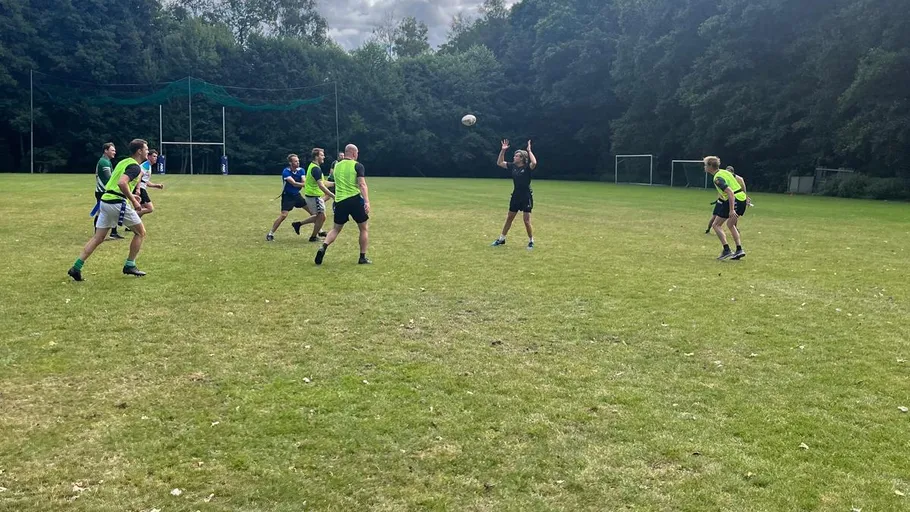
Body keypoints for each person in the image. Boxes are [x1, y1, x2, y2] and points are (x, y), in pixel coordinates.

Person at [68, 139, 150, 281]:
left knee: (98, 237)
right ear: (139, 151)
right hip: (117, 203)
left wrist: (131, 193)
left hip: (105, 201)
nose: (148, 151)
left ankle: (76, 267)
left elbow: (117, 183)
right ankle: (130, 264)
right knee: (140, 233)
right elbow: (121, 183)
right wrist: (134, 200)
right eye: (146, 149)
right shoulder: (135, 167)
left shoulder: (123, 162)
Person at [315, 144, 371, 265]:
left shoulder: (336, 166)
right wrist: (366, 201)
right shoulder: (358, 165)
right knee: (363, 228)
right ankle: (362, 257)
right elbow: (362, 184)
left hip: (340, 201)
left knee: (336, 229)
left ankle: (323, 246)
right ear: (354, 153)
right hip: (355, 199)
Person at [491, 139, 538, 249]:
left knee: (526, 221)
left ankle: (531, 241)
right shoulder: (513, 166)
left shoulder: (527, 168)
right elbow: (500, 163)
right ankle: (501, 239)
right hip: (516, 195)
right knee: (509, 218)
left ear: (522, 158)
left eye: (516, 156)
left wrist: (529, 150)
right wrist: (503, 151)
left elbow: (534, 163)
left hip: (526, 196)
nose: (514, 157)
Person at [704, 156, 747, 260]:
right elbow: (738, 181)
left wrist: (731, 209)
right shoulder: (725, 172)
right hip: (742, 199)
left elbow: (730, 192)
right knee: (731, 224)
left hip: (734, 199)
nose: (704, 167)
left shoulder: (717, 178)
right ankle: (739, 249)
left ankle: (726, 249)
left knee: (716, 224)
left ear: (710, 166)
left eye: (705, 165)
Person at [292, 148, 334, 241]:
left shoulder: (314, 167)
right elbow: (321, 186)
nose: (324, 157)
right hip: (314, 197)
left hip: (313, 196)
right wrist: (332, 196)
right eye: (322, 155)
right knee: (322, 217)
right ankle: (313, 237)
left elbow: (323, 182)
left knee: (319, 217)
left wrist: (335, 184)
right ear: (316, 156)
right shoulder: (316, 169)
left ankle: (298, 224)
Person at [266, 154, 308, 241]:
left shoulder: (301, 170)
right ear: (290, 163)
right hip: (288, 196)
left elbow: (304, 181)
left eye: (298, 161)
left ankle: (319, 231)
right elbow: (294, 183)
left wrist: (304, 184)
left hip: (297, 195)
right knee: (283, 215)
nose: (298, 163)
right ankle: (270, 233)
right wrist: (306, 185)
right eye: (295, 161)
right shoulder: (286, 172)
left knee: (313, 212)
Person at [705, 166, 748, 234]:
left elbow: (740, 180)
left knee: (733, 216)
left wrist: (745, 196)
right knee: (715, 216)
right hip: (722, 200)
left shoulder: (732, 178)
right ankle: (708, 229)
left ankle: (734, 229)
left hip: (730, 200)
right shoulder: (722, 177)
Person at [93, 142, 123, 239]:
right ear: (106, 151)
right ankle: (97, 233)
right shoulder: (104, 162)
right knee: (101, 213)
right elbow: (110, 178)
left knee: (112, 211)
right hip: (102, 191)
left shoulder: (106, 161)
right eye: (112, 150)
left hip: (105, 191)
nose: (114, 152)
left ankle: (113, 232)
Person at [136, 149, 165, 217]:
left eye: (156, 157)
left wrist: (156, 185)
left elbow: (145, 181)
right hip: (141, 188)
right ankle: (130, 215)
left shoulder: (148, 166)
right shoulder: (146, 165)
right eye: (154, 156)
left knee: (141, 208)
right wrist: (138, 189)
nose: (156, 158)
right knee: (150, 208)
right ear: (148, 157)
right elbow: (139, 176)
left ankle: (132, 227)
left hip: (141, 187)